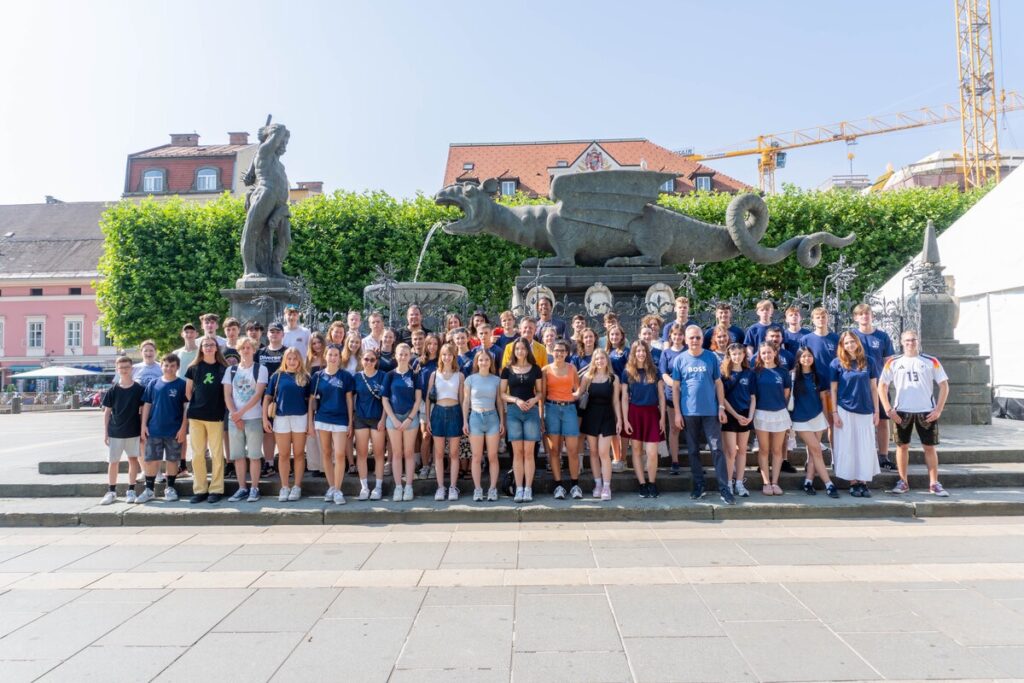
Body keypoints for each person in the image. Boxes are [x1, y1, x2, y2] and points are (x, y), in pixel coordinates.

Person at [879, 330, 951, 496]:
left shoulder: (931, 361)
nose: (910, 343)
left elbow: (944, 385)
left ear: (918, 341)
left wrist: (938, 409)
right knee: (902, 447)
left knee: (929, 447)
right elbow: (881, 386)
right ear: (901, 342)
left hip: (926, 411)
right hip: (902, 411)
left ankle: (934, 483)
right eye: (907, 340)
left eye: (913, 340)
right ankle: (903, 481)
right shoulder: (893, 361)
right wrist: (888, 409)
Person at [672, 325, 734, 504]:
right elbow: (675, 388)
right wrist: (677, 412)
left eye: (698, 337)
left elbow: (719, 384)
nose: (695, 341)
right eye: (691, 338)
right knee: (692, 450)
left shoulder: (711, 358)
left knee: (717, 449)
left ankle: (724, 488)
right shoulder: (680, 360)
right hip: (688, 412)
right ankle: (699, 485)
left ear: (702, 339)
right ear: (685, 339)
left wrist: (721, 407)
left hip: (711, 412)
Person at [830, 331, 880, 497]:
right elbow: (834, 389)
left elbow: (874, 388)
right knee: (848, 446)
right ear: (842, 346)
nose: (850, 345)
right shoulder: (836, 364)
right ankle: (853, 482)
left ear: (857, 342)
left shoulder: (869, 361)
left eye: (852, 341)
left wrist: (877, 410)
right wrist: (834, 413)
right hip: (845, 409)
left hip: (865, 410)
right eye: (846, 343)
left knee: (864, 447)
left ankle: (863, 482)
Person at [851, 303, 897, 471]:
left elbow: (888, 361)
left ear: (872, 316)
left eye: (867, 313)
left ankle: (883, 455)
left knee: (883, 421)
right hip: (858, 387)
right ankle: (860, 455)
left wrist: (887, 382)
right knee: (860, 422)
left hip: (879, 386)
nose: (864, 316)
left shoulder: (882, 336)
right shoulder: (851, 336)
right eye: (861, 314)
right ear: (856, 317)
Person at [137, 354, 188, 504]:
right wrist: (143, 425)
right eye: (166, 365)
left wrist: (183, 427)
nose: (169, 368)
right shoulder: (153, 384)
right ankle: (149, 490)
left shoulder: (182, 384)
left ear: (177, 367)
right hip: (154, 429)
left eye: (172, 366)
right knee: (151, 460)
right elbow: (147, 405)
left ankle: (170, 488)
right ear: (161, 366)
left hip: (174, 430)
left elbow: (186, 408)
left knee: (172, 460)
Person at [263, 347, 311, 502]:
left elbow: (311, 402)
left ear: (299, 360)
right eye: (289, 358)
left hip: (300, 417)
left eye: (295, 358)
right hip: (281, 418)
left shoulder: (305, 377)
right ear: (285, 360)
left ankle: (297, 486)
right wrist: (265, 419)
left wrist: (310, 423)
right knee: (283, 455)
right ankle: (284, 486)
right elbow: (267, 399)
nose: (292, 361)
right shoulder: (277, 376)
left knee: (298, 454)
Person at [223, 337, 267, 503]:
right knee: (238, 455)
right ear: (239, 350)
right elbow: (227, 394)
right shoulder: (231, 371)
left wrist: (240, 413)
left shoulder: (260, 369)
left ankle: (255, 488)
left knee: (254, 455)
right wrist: (235, 415)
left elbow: (258, 395)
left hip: (253, 417)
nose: (246, 351)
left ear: (254, 350)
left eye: (249, 348)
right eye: (243, 348)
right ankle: (242, 487)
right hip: (234, 419)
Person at [310, 344, 355, 505]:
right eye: (330, 354)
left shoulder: (346, 376)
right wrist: (310, 422)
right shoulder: (317, 376)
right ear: (325, 356)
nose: (333, 357)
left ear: (339, 357)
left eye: (336, 355)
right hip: (322, 419)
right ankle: (331, 487)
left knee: (340, 454)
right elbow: (311, 401)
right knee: (327, 453)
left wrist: (350, 422)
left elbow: (349, 400)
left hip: (341, 419)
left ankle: (338, 489)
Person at [184, 337, 228, 504]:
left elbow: (226, 393)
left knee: (217, 454)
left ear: (216, 348)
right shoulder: (193, 368)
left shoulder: (223, 369)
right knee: (197, 455)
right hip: (196, 416)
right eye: (205, 345)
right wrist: (198, 405)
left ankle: (216, 489)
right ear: (201, 348)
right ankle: (200, 489)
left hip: (215, 416)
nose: (208, 347)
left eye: (211, 345)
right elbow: (188, 392)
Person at [791, 347, 839, 498]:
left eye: (809, 356)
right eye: (803, 356)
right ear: (799, 358)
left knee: (813, 453)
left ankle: (808, 482)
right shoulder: (792, 376)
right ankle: (829, 484)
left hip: (817, 417)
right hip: (800, 419)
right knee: (816, 450)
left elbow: (823, 399)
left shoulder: (819, 376)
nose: (806, 359)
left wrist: (827, 418)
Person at [620, 340, 666, 498]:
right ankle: (642, 484)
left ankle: (652, 483)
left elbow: (661, 396)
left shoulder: (655, 371)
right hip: (634, 413)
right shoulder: (627, 372)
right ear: (633, 353)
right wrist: (625, 420)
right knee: (637, 451)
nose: (640, 353)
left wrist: (662, 418)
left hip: (652, 413)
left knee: (652, 453)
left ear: (647, 353)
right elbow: (624, 398)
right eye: (637, 351)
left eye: (643, 351)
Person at [501, 338, 544, 502]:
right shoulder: (507, 369)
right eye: (517, 349)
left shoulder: (535, 369)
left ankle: (528, 488)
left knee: (528, 453)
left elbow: (540, 392)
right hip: (514, 412)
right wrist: (516, 400)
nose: (520, 351)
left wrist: (533, 400)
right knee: (517, 453)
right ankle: (519, 488)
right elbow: (502, 393)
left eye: (523, 348)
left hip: (531, 412)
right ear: (514, 351)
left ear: (527, 351)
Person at [100, 355, 145, 505]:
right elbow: (107, 412)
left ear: (132, 368)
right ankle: (111, 491)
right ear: (117, 369)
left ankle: (131, 489)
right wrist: (106, 432)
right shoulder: (113, 390)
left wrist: (143, 428)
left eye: (127, 367)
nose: (124, 370)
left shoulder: (139, 389)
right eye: (121, 368)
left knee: (133, 460)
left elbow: (144, 410)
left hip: (133, 430)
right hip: (115, 431)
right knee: (113, 462)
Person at [578, 348, 621, 500]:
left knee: (604, 453)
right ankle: (598, 484)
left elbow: (616, 401)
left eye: (602, 358)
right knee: (594, 453)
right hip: (591, 416)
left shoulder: (613, 378)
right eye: (597, 359)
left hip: (607, 416)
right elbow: (579, 394)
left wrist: (619, 420)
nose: (599, 361)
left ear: (606, 360)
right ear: (593, 361)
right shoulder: (587, 377)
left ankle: (607, 486)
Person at [382, 343, 423, 502]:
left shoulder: (414, 375)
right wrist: (392, 418)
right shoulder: (390, 375)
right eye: (400, 354)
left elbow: (418, 398)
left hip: (409, 418)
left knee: (409, 453)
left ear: (410, 355)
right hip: (393, 418)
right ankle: (398, 486)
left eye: (406, 354)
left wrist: (410, 418)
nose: (403, 357)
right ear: (395, 355)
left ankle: (409, 486)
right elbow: (385, 399)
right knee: (397, 453)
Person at [543, 339, 582, 499]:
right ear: (552, 352)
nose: (559, 353)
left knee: (572, 449)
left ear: (567, 353)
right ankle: (558, 485)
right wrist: (541, 416)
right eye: (556, 350)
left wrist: (577, 394)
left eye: (562, 351)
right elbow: (542, 394)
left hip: (569, 409)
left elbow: (578, 388)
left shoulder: (572, 368)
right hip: (551, 408)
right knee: (554, 450)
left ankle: (574, 484)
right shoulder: (545, 370)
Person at [463, 349, 505, 501]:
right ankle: (478, 489)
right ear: (477, 362)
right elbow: (466, 401)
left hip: (492, 417)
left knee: (493, 456)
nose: (484, 362)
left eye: (487, 359)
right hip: (475, 417)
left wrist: (502, 421)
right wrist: (464, 421)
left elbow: (499, 402)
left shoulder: (496, 380)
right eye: (481, 360)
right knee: (476, 456)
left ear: (490, 362)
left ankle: (493, 489)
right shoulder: (470, 379)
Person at [426, 342, 465, 501]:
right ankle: (440, 487)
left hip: (455, 411)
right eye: (444, 354)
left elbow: (463, 399)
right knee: (439, 453)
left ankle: (453, 487)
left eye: (449, 354)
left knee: (454, 454)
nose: (446, 357)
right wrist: (428, 418)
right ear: (440, 356)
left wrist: (464, 420)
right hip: (438, 412)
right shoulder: (434, 374)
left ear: (454, 356)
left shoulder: (460, 375)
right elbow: (429, 399)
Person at [752, 343, 792, 496]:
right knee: (764, 449)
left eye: (769, 352)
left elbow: (786, 393)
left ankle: (775, 482)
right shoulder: (755, 372)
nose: (766, 355)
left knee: (777, 450)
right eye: (763, 353)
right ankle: (766, 483)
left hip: (780, 414)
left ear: (775, 353)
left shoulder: (783, 372)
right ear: (759, 355)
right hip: (761, 414)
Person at [353, 349, 387, 500]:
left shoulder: (383, 376)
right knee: (362, 453)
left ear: (376, 361)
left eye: (372, 360)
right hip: (361, 418)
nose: (369, 362)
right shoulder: (357, 377)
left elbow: (386, 400)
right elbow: (352, 398)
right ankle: (364, 487)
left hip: (377, 418)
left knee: (379, 453)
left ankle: (378, 487)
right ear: (361, 360)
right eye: (366, 359)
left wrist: (383, 419)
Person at [257, 322, 289, 477]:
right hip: (265, 397)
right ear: (267, 334)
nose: (274, 334)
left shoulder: (288, 351)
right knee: (267, 431)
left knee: (285, 431)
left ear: (283, 334)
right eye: (272, 331)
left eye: (277, 331)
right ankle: (269, 463)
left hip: (284, 396)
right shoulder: (260, 352)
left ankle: (286, 463)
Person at [658, 323, 687, 476]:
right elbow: (663, 374)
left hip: (689, 398)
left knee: (691, 430)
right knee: (674, 429)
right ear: (670, 336)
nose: (677, 337)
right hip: (671, 396)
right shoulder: (666, 353)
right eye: (674, 334)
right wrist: (677, 386)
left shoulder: (689, 351)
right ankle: (674, 461)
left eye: (680, 334)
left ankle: (694, 461)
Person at [416, 333, 441, 478]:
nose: (432, 347)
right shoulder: (419, 362)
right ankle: (425, 465)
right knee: (425, 435)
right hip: (424, 403)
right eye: (429, 344)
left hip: (439, 402)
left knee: (437, 435)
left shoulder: (441, 361)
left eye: (435, 344)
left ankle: (434, 465)